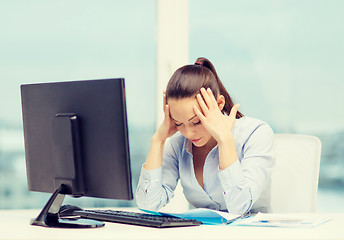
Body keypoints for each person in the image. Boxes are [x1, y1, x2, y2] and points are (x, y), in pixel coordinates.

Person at [136, 57, 275, 214]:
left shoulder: (255, 134)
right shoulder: (178, 143)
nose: (188, 133)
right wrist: (158, 140)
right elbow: (148, 204)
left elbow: (239, 206)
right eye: (179, 123)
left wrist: (225, 140)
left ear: (219, 104)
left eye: (196, 122)